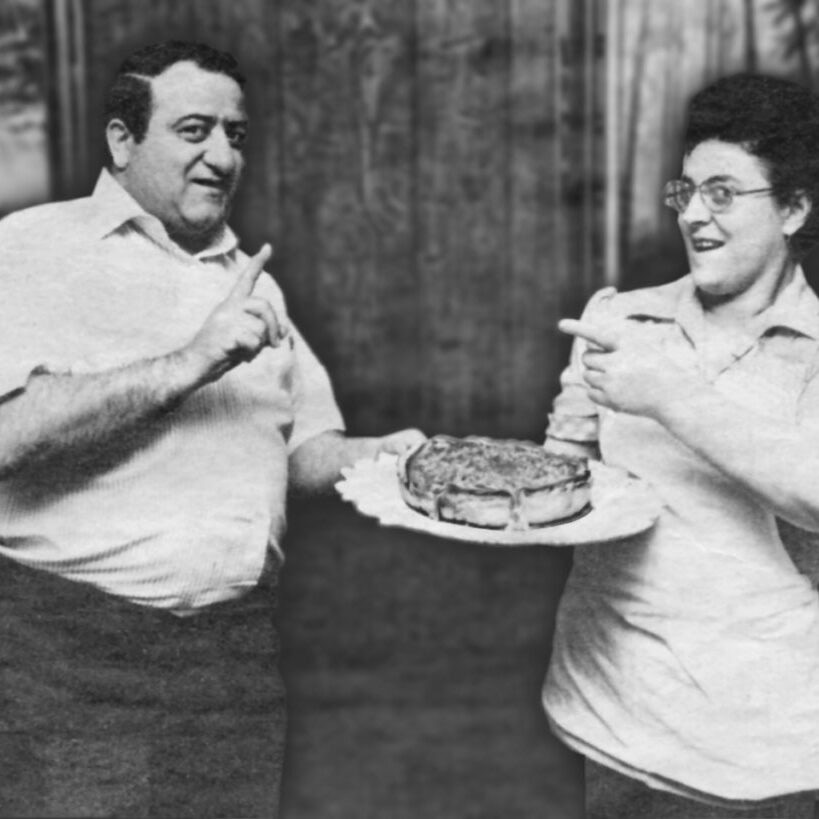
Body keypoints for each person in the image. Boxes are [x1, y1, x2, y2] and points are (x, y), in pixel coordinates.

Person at [0, 40, 423, 818]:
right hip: (77, 658)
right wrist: (193, 359)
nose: (222, 156)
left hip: (235, 661)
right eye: (194, 130)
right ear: (122, 141)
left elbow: (299, 450)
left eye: (236, 135)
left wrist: (387, 457)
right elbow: (9, 437)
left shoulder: (251, 280)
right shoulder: (31, 247)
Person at [543, 73, 819, 819]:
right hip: (604, 716)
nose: (694, 215)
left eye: (723, 193)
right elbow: (559, 482)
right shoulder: (617, 321)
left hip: (764, 754)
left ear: (792, 207)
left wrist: (668, 394)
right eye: (686, 191)